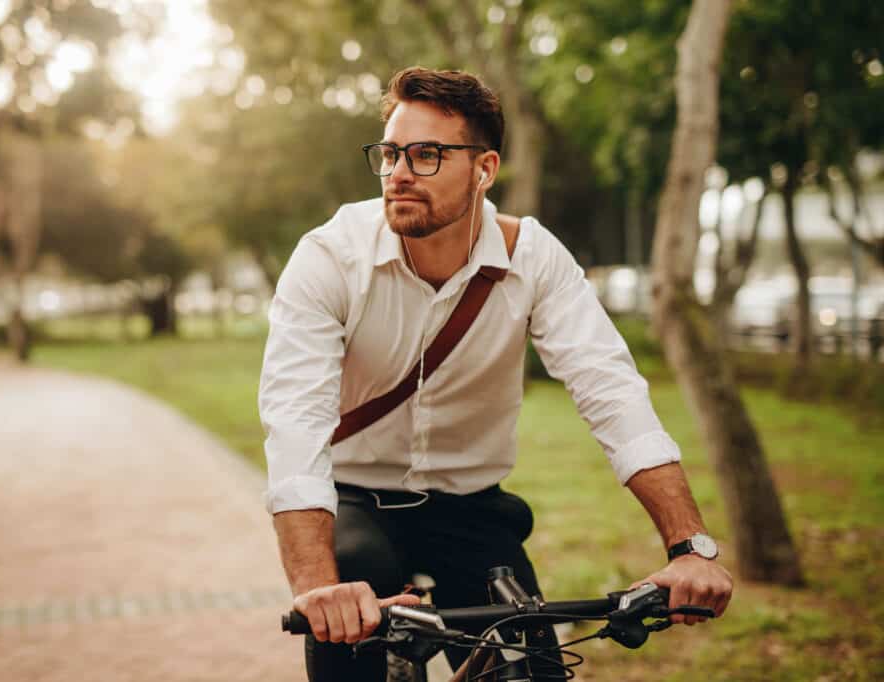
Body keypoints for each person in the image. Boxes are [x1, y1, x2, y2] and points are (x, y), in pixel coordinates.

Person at [258, 66, 733, 681]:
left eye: (426, 155)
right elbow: (295, 421)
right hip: (355, 503)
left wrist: (687, 547)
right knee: (351, 595)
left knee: (528, 664)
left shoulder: (534, 259)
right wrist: (318, 588)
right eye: (391, 153)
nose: (399, 173)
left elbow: (612, 393)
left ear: (484, 170)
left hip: (470, 509)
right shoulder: (329, 257)